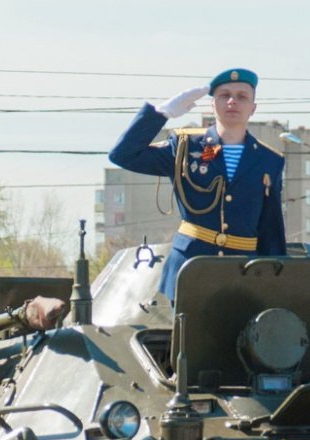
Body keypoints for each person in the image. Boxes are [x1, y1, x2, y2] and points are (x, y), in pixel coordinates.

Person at [108, 68, 287, 299]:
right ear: (212, 106)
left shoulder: (269, 159)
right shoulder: (185, 146)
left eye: (242, 96)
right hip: (190, 267)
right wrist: (160, 114)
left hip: (244, 270)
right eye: (224, 95)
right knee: (188, 335)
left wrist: (275, 281)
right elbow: (123, 155)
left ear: (253, 108)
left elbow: (271, 227)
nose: (232, 101)